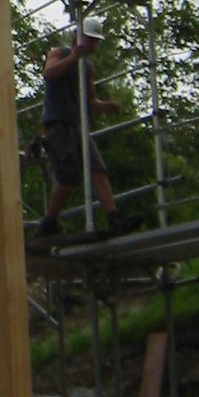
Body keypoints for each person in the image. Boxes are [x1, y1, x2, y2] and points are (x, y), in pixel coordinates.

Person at [33, 15, 138, 239]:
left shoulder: (87, 68)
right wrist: (72, 58)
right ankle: (48, 222)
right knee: (69, 177)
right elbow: (49, 74)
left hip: (76, 125)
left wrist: (107, 106)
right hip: (57, 125)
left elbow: (90, 102)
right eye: (90, 40)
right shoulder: (58, 53)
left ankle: (114, 218)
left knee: (97, 169)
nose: (93, 45)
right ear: (78, 39)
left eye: (95, 41)